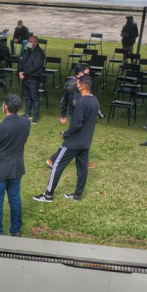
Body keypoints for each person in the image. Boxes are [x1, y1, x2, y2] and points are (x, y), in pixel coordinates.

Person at [34, 75, 99, 203]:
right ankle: (77, 195)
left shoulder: (82, 102)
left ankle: (48, 195)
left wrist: (65, 134)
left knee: (57, 164)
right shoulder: (95, 100)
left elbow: (76, 124)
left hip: (73, 142)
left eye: (78, 83)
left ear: (84, 86)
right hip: (85, 143)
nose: (77, 84)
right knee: (82, 168)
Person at [0, 94, 31, 237]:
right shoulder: (25, 122)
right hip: (16, 167)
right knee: (15, 198)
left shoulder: (0, 128)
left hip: (0, 170)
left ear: (5, 106)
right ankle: (16, 229)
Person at [45, 64, 98, 171]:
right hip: (77, 116)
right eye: (86, 73)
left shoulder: (79, 84)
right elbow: (65, 100)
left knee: (80, 138)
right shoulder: (74, 86)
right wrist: (63, 114)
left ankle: (83, 161)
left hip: (80, 115)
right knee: (71, 139)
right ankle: (53, 159)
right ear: (80, 74)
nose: (89, 76)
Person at [19, 35, 46, 124]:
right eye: (28, 41)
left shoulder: (40, 53)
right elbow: (22, 61)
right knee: (27, 97)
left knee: (35, 97)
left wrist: (25, 73)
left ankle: (36, 117)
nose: (29, 43)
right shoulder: (27, 51)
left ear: (36, 42)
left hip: (34, 77)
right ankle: (28, 114)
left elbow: (35, 66)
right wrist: (20, 71)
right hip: (25, 77)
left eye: (31, 41)